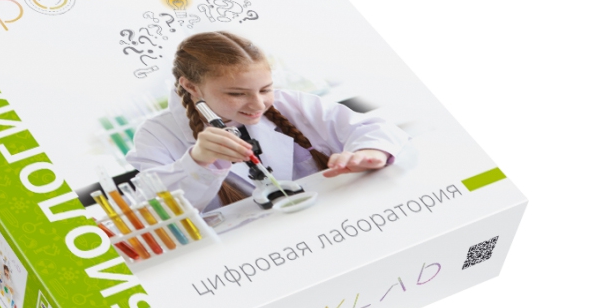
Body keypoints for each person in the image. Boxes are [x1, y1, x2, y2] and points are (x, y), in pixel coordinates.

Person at [126, 31, 410, 211]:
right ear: (191, 86)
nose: (258, 105)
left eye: (265, 89)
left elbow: (375, 129)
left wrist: (369, 152)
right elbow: (153, 211)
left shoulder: (292, 104)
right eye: (237, 94)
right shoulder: (157, 134)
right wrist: (197, 161)